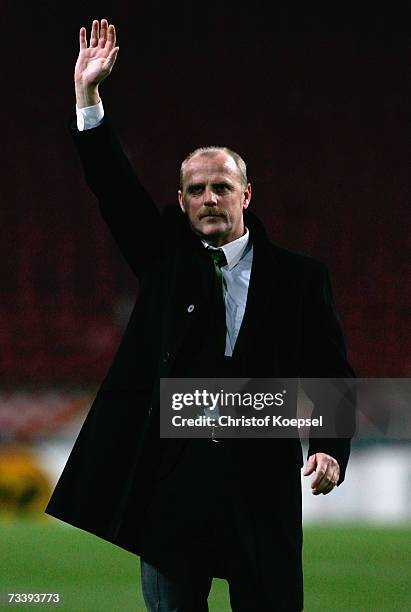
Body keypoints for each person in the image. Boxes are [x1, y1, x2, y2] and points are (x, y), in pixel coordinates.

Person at [45, 19, 355, 611]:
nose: (209, 199)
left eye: (221, 187)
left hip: (262, 489)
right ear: (181, 199)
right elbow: (112, 187)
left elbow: (329, 370)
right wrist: (88, 99)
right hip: (173, 490)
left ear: (246, 195)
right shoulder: (163, 257)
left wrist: (329, 447)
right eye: (196, 190)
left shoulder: (300, 278)